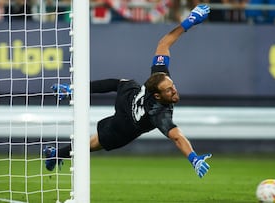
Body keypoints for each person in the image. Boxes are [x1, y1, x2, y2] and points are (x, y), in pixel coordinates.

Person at [44, 4, 212, 178]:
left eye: (173, 87)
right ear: (157, 95)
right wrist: (194, 159)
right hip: (126, 125)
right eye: (169, 90)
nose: (174, 91)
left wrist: (190, 21)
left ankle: (71, 93)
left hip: (130, 97)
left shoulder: (160, 76)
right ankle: (57, 149)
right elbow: (177, 137)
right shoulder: (159, 114)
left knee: (122, 83)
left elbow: (164, 43)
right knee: (94, 143)